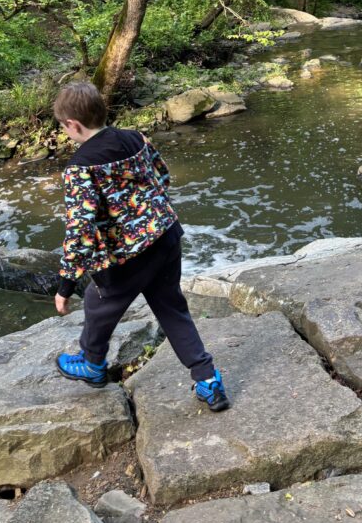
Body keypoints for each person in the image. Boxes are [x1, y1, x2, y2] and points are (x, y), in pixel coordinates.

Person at [52, 80, 229, 411]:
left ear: (73, 125)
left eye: (64, 128)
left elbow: (81, 226)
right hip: (165, 238)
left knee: (96, 300)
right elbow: (162, 176)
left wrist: (65, 284)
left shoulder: (80, 166)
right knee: (171, 308)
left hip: (128, 258)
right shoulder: (135, 138)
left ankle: (92, 364)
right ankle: (207, 380)